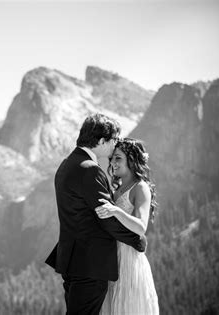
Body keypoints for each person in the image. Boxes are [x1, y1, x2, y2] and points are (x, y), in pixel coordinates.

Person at [45, 113, 147, 315]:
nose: (115, 145)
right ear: (101, 141)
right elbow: (106, 217)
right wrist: (137, 239)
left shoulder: (67, 164)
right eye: (114, 140)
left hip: (72, 259)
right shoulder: (89, 169)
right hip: (89, 264)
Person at [96, 138, 159, 314]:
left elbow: (140, 227)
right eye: (112, 159)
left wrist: (116, 212)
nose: (113, 163)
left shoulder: (141, 187)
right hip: (112, 259)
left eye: (118, 158)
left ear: (131, 160)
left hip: (129, 259)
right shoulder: (117, 190)